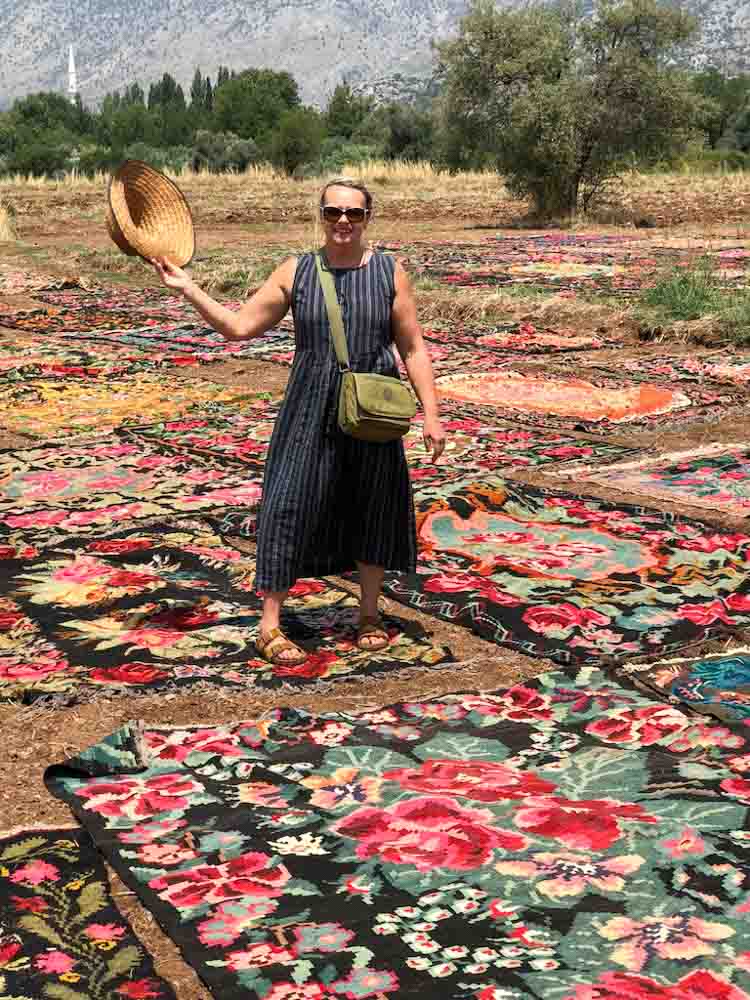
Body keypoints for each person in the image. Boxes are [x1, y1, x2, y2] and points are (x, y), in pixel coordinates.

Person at [153, 177, 445, 667]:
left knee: (372, 501)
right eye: (333, 213)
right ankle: (269, 625)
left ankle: (369, 615)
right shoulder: (298, 270)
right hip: (310, 405)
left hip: (372, 406)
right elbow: (238, 327)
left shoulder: (391, 273)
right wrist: (189, 287)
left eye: (353, 213)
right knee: (288, 502)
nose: (343, 222)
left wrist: (432, 415)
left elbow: (412, 347)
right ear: (322, 216)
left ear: (368, 218)